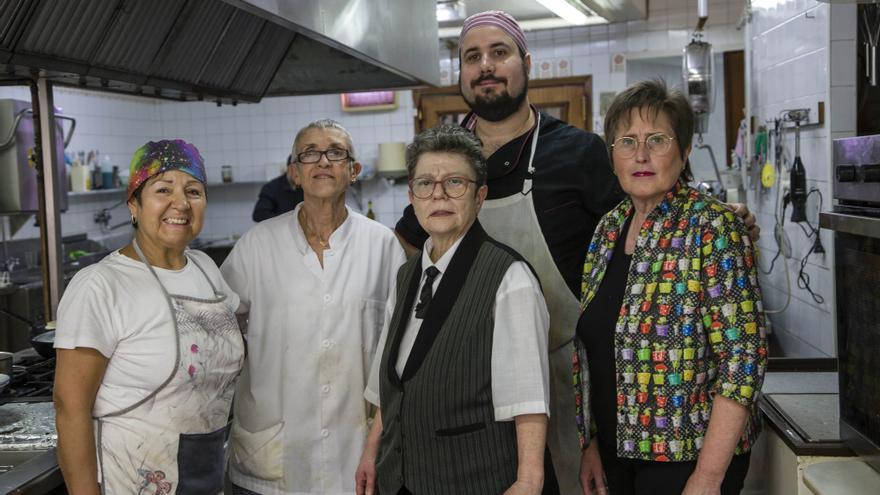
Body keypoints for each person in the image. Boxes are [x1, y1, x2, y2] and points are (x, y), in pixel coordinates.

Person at [394, 11, 760, 493]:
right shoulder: (450, 163)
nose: (485, 66)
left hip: (576, 392)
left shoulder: (580, 154)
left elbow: (656, 209)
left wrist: (717, 215)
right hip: (477, 390)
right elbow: (410, 245)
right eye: (472, 56)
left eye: (499, 53)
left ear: (526, 63)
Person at [573, 79, 768, 495]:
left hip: (688, 462)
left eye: (656, 139)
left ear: (684, 151)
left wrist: (708, 477)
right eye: (626, 142)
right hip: (613, 453)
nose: (640, 154)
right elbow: (592, 349)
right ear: (612, 157)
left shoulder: (714, 227)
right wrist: (589, 442)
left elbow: (743, 360)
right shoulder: (607, 229)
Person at [357, 124, 550, 495]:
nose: (439, 195)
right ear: (412, 196)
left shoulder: (510, 278)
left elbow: (530, 398)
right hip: (400, 480)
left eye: (455, 183)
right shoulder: (407, 274)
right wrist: (371, 451)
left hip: (474, 480)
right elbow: (392, 383)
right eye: (426, 183)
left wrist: (529, 481)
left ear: (480, 196)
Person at [221, 119, 406, 494]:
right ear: (294, 173)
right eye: (310, 153)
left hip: (356, 452)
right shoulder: (258, 245)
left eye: (336, 152)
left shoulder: (383, 246)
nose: (323, 161)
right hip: (272, 449)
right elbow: (218, 328)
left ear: (353, 171)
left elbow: (398, 348)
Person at [54, 139, 244, 495]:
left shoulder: (204, 267)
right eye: (162, 189)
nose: (181, 203)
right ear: (134, 205)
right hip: (133, 479)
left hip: (206, 475)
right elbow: (70, 407)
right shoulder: (100, 285)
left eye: (193, 191)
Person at [252, 154, 305, 222]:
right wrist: (285, 220)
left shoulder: (305, 187)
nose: (300, 175)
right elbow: (259, 214)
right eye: (298, 170)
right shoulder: (271, 188)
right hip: (278, 229)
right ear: (290, 168)